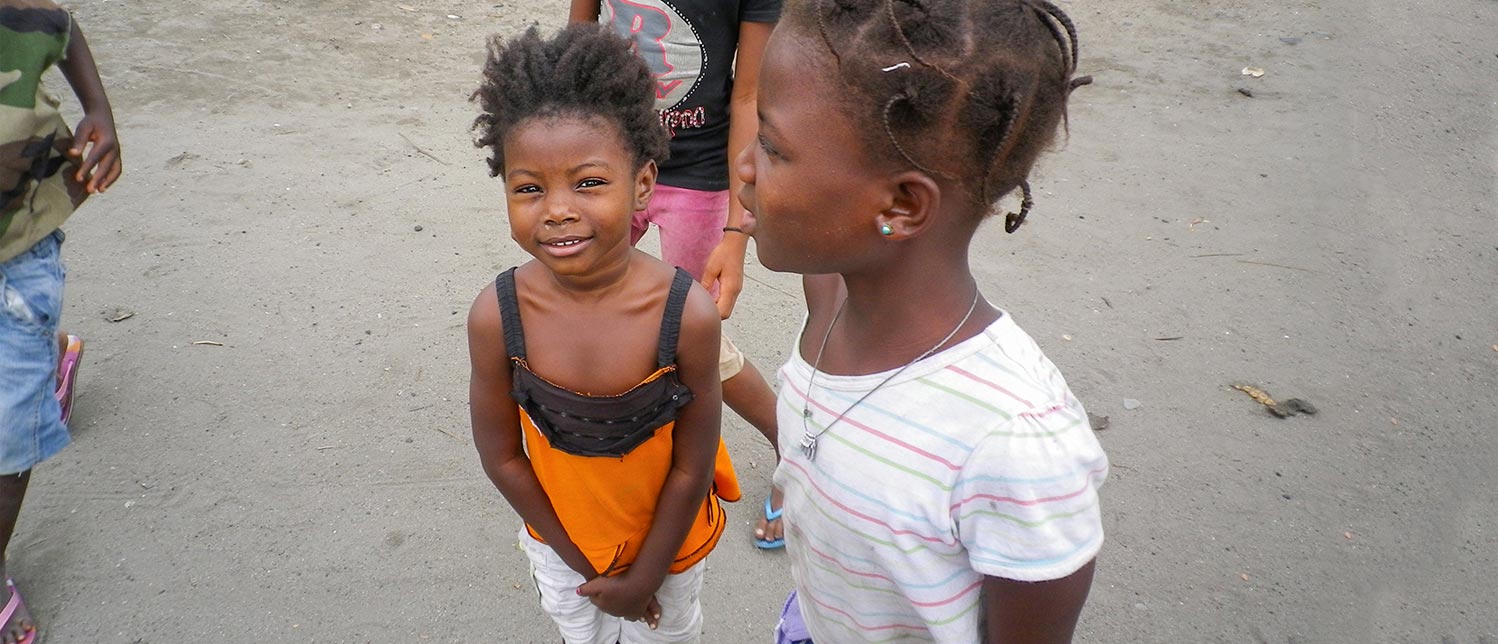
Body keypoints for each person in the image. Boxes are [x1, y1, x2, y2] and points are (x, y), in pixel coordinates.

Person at [734, 1, 1109, 642]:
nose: (742, 165)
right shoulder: (831, 295)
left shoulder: (1013, 446)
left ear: (902, 206)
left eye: (770, 146)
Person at [467, 24, 740, 644]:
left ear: (642, 183)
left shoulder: (685, 314)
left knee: (667, 633)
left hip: (667, 549)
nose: (558, 208)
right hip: (563, 546)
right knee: (579, 631)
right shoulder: (497, 316)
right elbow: (503, 456)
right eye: (529, 188)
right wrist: (581, 561)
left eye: (589, 182)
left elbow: (692, 465)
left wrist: (643, 576)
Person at [566, 0, 788, 550]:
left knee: (692, 333)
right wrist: (564, 174)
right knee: (580, 295)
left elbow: (749, 95)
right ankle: (614, 449)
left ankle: (793, 442)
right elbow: (575, 50)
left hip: (699, 176)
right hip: (608, 164)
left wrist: (737, 232)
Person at [1, 3, 122, 643]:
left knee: (5, 452)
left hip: (16, 257)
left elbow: (62, 27)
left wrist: (98, 112)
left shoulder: (17, 14)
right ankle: (50, 365)